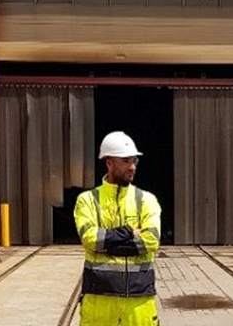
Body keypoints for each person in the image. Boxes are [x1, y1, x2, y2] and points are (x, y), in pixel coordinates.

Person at [73, 131, 162, 325]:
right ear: (109, 162)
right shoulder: (87, 200)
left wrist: (106, 244)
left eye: (134, 161)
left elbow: (151, 240)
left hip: (139, 306)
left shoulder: (146, 200)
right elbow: (91, 239)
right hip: (99, 305)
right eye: (125, 161)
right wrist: (130, 232)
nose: (132, 167)